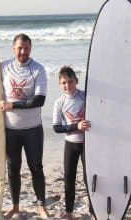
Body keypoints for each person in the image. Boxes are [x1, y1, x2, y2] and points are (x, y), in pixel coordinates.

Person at [0, 33, 50, 219]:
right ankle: (15, 206)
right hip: (10, 129)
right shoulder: (3, 67)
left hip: (33, 129)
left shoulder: (38, 70)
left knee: (36, 167)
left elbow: (39, 100)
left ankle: (41, 206)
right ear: (13, 48)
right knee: (13, 169)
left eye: (26, 48)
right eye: (19, 48)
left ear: (30, 49)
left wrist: (12, 104)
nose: (23, 51)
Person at [52, 66, 91, 219]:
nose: (67, 86)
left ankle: (93, 210)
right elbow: (56, 127)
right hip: (71, 144)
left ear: (76, 81)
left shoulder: (85, 96)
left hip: (88, 144)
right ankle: (69, 211)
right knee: (69, 178)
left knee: (89, 177)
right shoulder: (59, 102)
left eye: (70, 82)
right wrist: (76, 126)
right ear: (59, 84)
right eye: (63, 83)